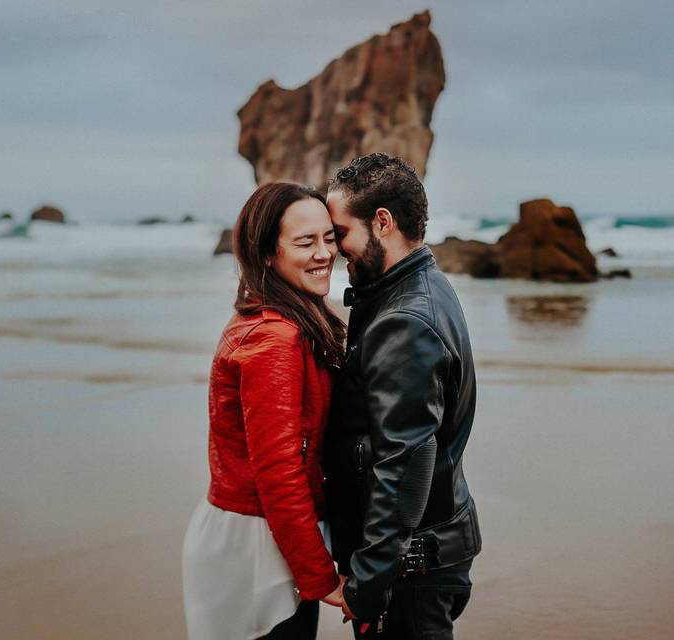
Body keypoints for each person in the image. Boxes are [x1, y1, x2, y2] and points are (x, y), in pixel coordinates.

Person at [323, 153, 482, 639]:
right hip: (424, 554)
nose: (333, 251)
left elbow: (403, 462)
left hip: (411, 574)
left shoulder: (404, 321)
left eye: (339, 233)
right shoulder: (420, 286)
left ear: (383, 223)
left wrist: (370, 583)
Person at [182, 182, 347, 640]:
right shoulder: (274, 339)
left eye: (329, 238)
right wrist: (321, 576)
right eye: (305, 242)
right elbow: (278, 471)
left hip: (258, 532)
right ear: (267, 254)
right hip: (256, 546)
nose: (323, 253)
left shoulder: (276, 317)